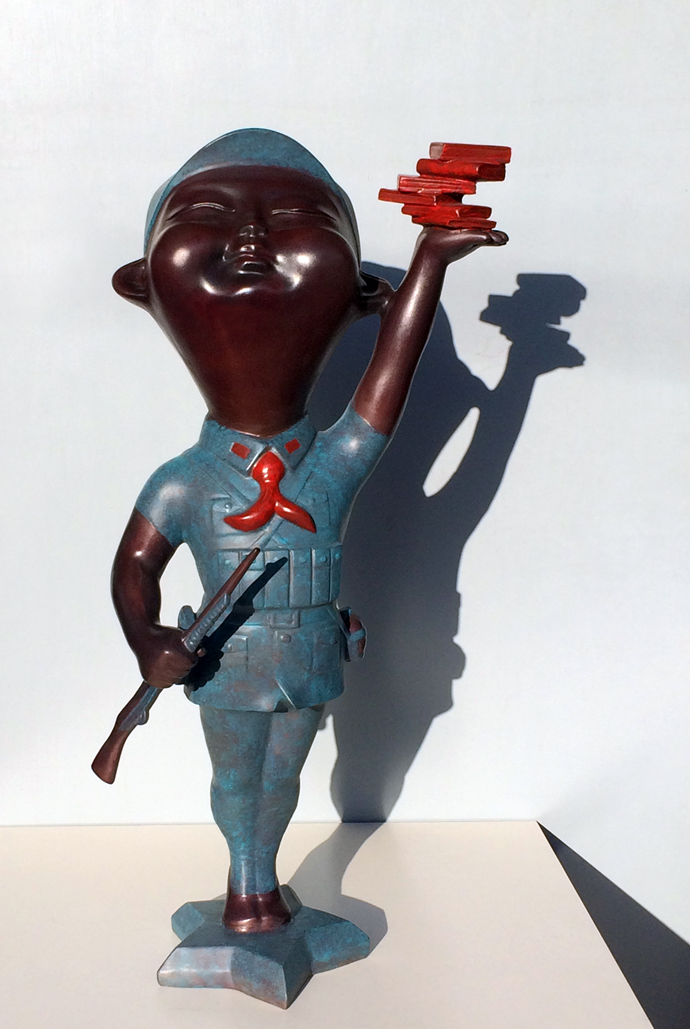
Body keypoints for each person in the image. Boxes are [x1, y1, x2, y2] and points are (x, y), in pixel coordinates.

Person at [110, 129, 505, 932]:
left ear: (360, 297)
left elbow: (388, 378)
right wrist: (144, 635)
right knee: (234, 776)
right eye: (211, 215)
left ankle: (259, 883)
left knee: (284, 775)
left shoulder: (332, 462)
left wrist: (428, 264)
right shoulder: (184, 481)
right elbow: (134, 569)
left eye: (291, 218)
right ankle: (245, 882)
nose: (251, 238)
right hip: (223, 661)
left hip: (308, 654)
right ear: (144, 284)